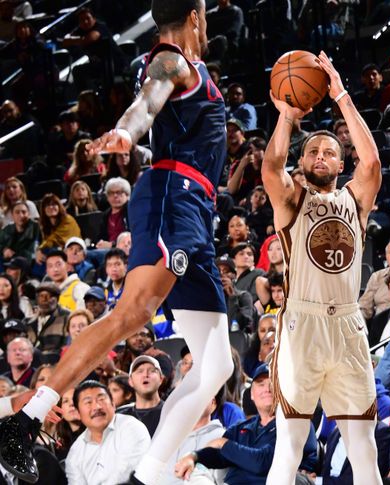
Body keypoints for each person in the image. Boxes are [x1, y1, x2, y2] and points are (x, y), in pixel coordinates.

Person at [0, 3, 234, 485]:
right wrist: (127, 131)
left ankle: (145, 477)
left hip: (195, 208)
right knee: (133, 313)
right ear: (196, 17)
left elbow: (162, 119)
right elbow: (146, 102)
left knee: (216, 364)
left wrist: (136, 142)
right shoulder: (171, 59)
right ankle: (23, 422)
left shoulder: (189, 69)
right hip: (174, 198)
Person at [262, 51, 383, 485]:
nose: (319, 156)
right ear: (302, 161)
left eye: (329, 152)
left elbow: (372, 164)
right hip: (303, 323)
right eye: (312, 151)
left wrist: (341, 95)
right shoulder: (292, 200)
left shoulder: (355, 199)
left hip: (348, 323)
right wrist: (287, 117)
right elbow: (271, 167)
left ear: (340, 163)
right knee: (290, 446)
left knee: (364, 448)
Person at [174, 364, 318, 484]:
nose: (267, 389)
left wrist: (223, 443)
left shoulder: (296, 425)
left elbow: (262, 462)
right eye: (261, 384)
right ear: (252, 394)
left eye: (273, 383)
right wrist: (194, 456)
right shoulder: (241, 428)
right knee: (195, 471)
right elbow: (219, 456)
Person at [65, 380, 151, 484]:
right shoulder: (75, 452)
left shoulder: (131, 427)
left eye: (101, 399)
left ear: (113, 404)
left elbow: (126, 476)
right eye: (88, 402)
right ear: (78, 413)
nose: (97, 407)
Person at [118, 355, 165, 437]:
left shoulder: (171, 412)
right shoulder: (120, 416)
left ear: (161, 379)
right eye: (139, 371)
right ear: (131, 381)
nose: (145, 375)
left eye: (152, 371)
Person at [36, 194, 81, 263]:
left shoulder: (68, 220)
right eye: (47, 205)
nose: (51, 207)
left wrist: (40, 249)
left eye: (54, 204)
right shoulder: (44, 225)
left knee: (47, 251)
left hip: (73, 251)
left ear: (59, 206)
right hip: (56, 251)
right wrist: (38, 251)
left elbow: (55, 238)